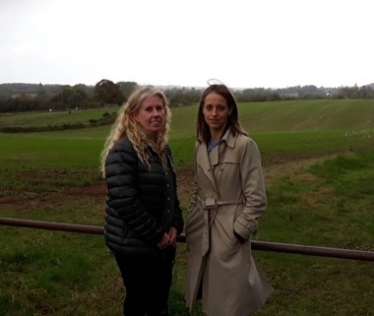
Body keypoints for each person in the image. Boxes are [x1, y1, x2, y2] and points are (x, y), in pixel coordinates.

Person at [185, 83, 274, 316]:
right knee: (208, 297)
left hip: (229, 230)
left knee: (230, 302)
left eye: (220, 108)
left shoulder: (245, 146)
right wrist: (192, 219)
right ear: (202, 111)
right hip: (202, 228)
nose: (214, 113)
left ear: (230, 110)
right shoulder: (199, 145)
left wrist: (239, 232)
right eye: (209, 107)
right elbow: (198, 188)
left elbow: (257, 198)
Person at [101, 85, 184, 316]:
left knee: (159, 302)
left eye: (160, 108)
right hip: (133, 246)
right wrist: (157, 235)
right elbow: (126, 201)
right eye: (149, 109)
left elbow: (171, 192)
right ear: (135, 115)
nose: (156, 113)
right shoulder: (123, 151)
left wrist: (176, 224)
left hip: (161, 244)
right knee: (139, 302)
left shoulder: (162, 149)